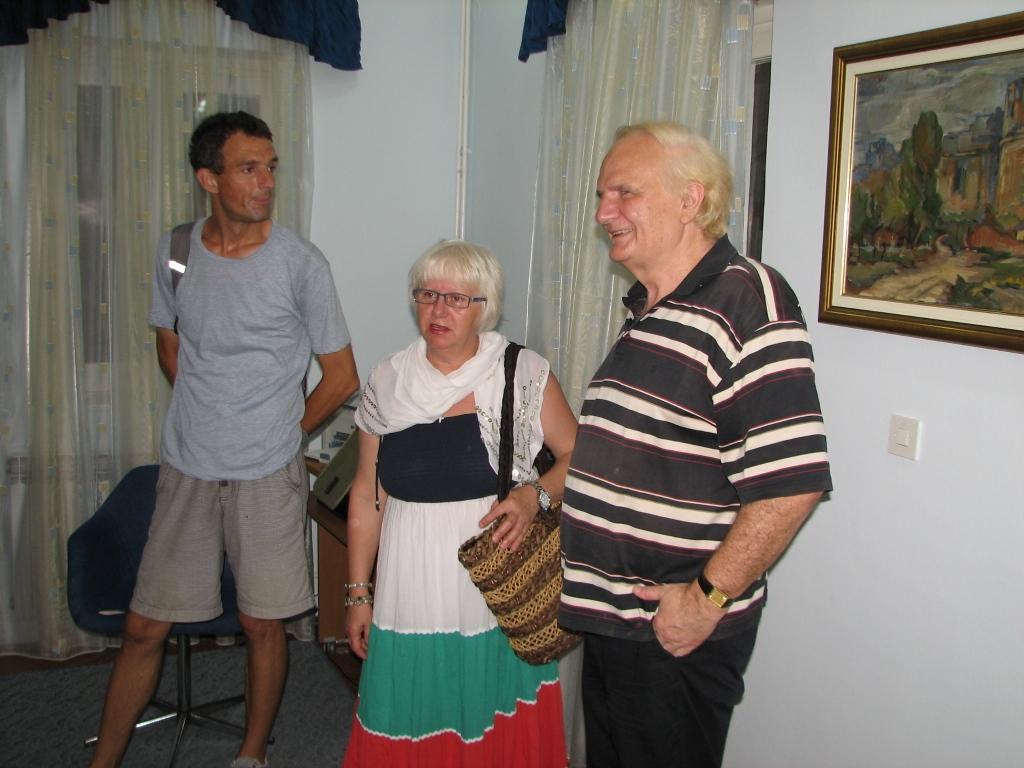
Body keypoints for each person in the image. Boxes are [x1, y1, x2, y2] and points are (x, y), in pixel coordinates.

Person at [88, 111, 359, 768]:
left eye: (271, 167)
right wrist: (205, 409)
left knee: (262, 623)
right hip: (188, 467)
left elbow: (342, 376)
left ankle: (251, 754)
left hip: (266, 473)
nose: (266, 182)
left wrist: (283, 430)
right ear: (208, 178)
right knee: (144, 625)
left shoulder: (300, 264)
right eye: (248, 168)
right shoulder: (176, 250)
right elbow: (169, 341)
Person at [559, 122, 833, 768]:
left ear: (690, 200)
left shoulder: (746, 300)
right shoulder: (653, 306)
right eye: (600, 196)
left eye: (624, 193)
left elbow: (793, 483)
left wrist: (706, 599)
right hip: (617, 623)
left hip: (671, 633)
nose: (603, 214)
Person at [342, 240, 577, 767]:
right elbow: (366, 493)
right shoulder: (387, 379)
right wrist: (357, 592)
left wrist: (534, 494)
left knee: (487, 707)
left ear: (483, 308)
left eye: (456, 298)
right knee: (407, 706)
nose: (439, 309)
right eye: (428, 294)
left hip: (495, 580)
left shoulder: (521, 372)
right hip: (409, 581)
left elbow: (577, 455)